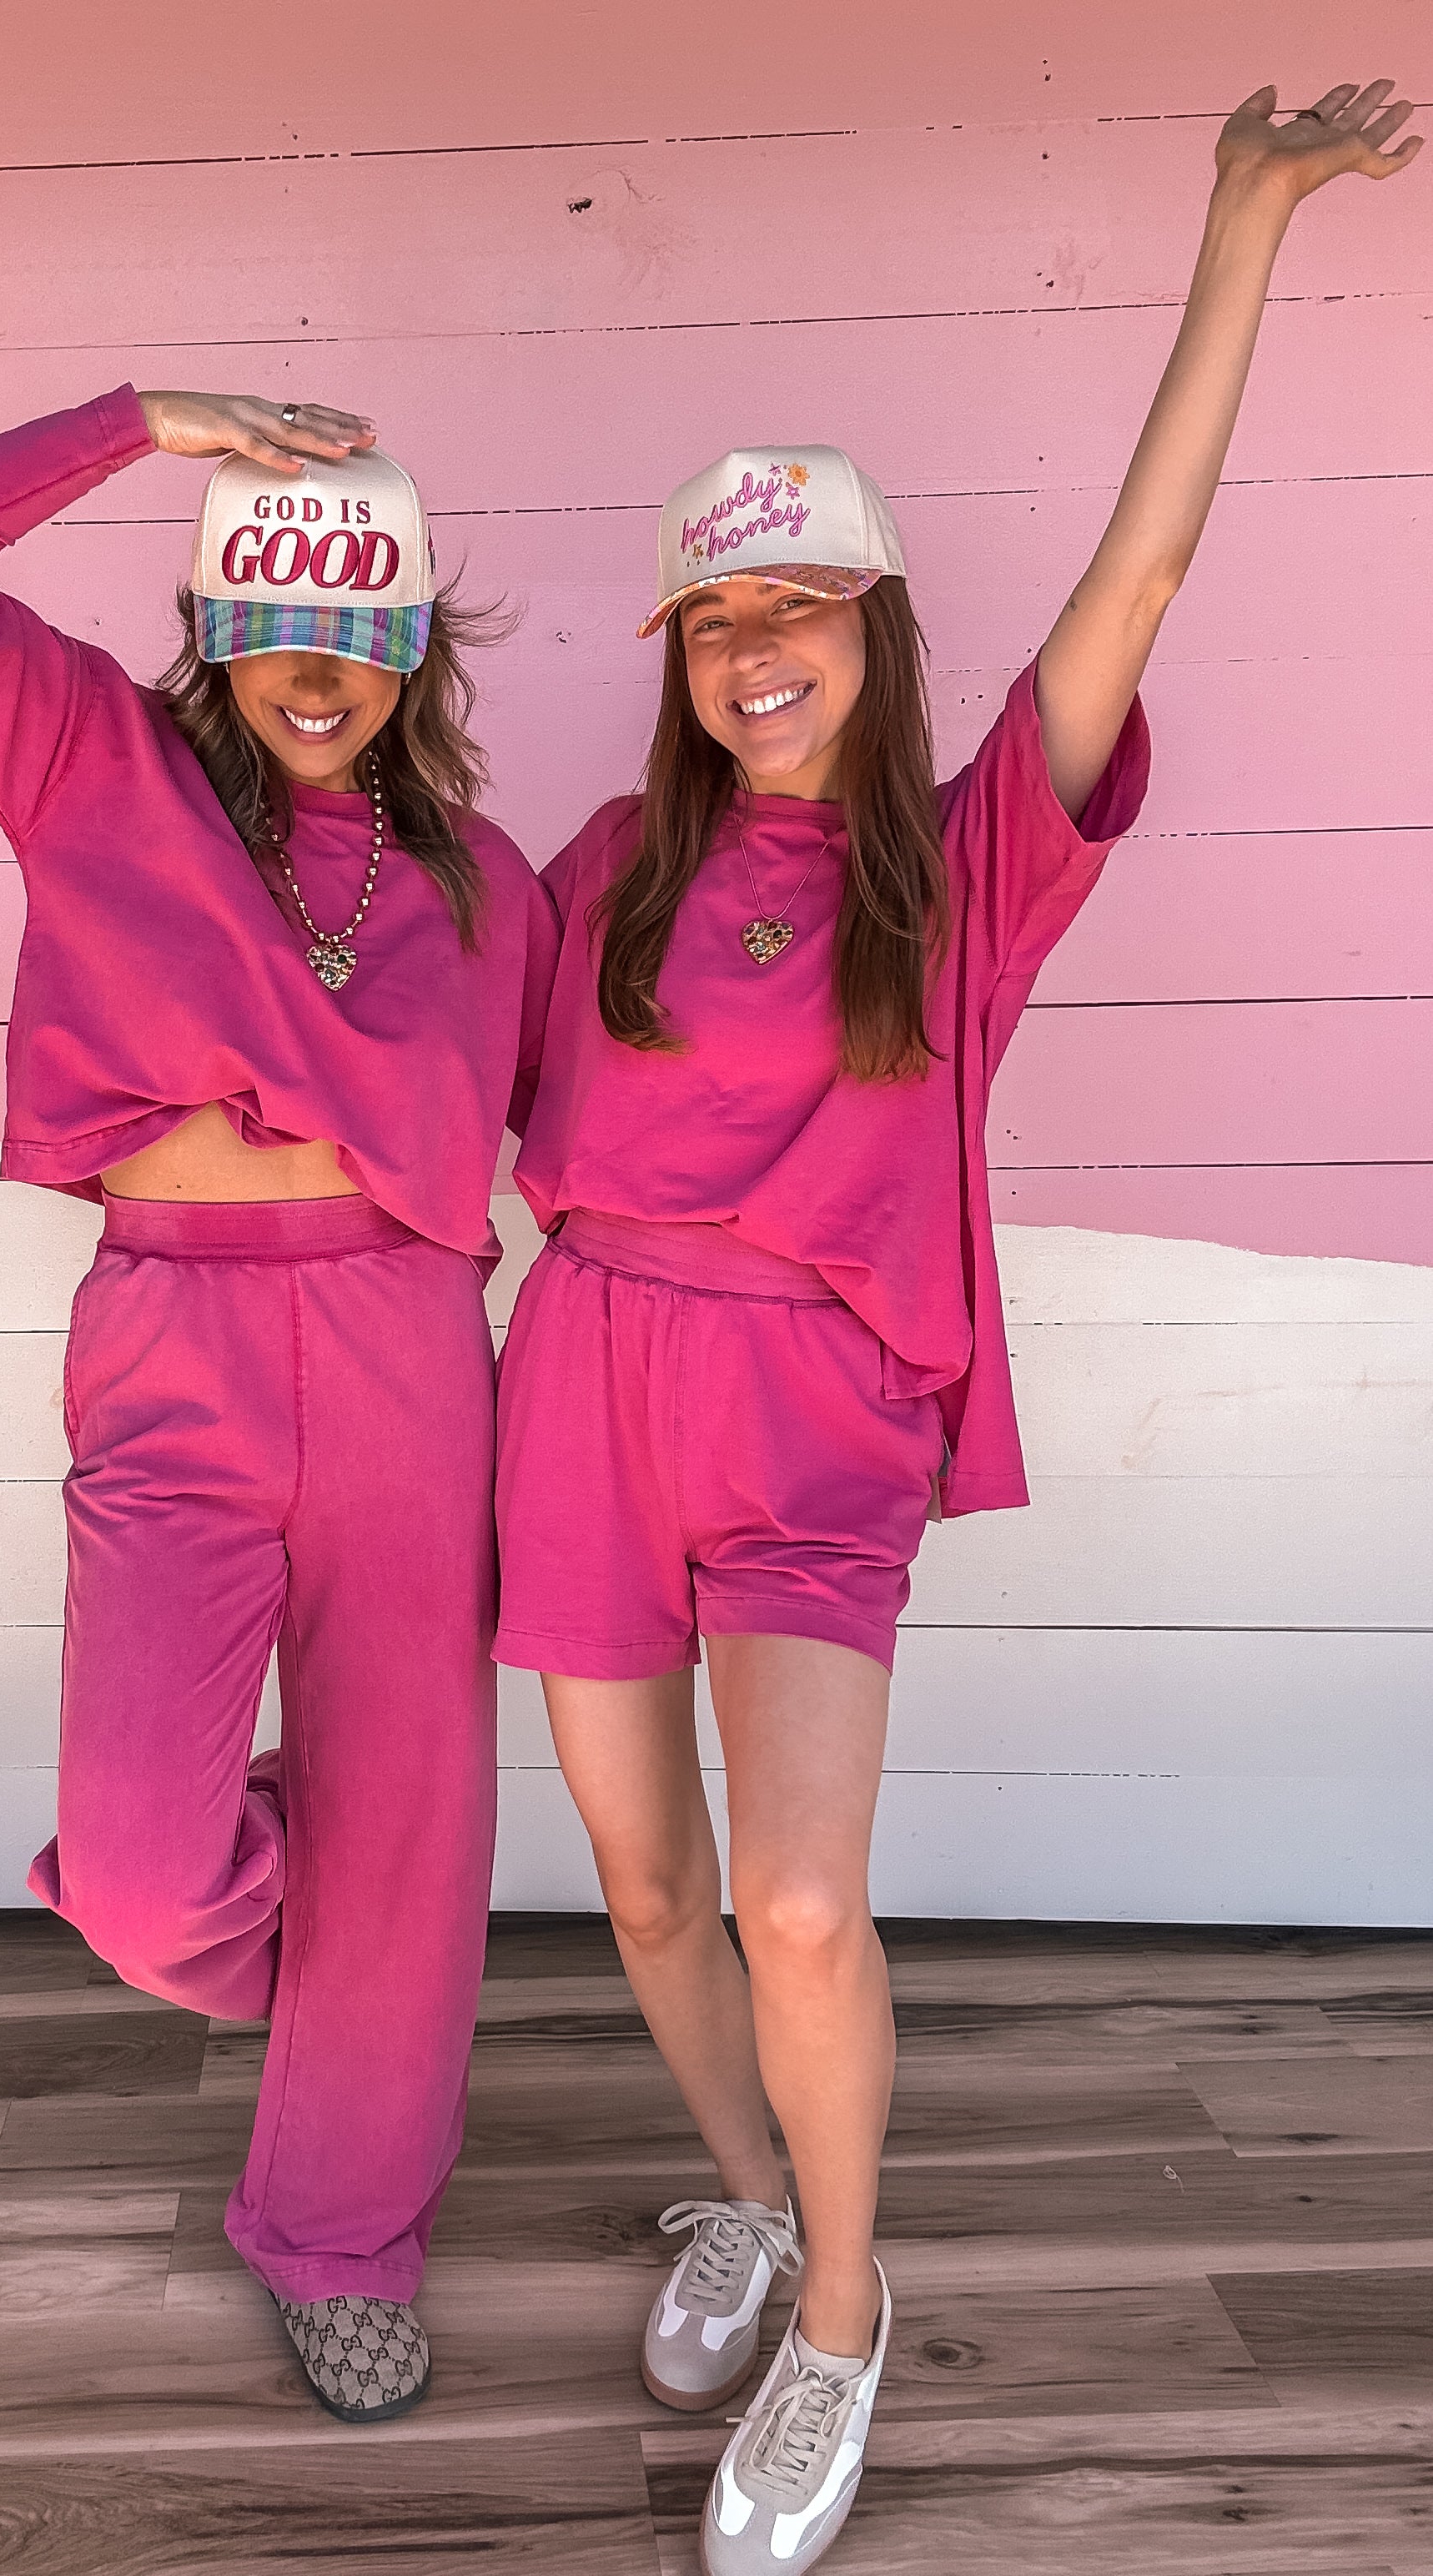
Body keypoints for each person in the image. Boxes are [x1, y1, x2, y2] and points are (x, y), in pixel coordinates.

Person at [495, 79, 1420, 2573]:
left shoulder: (961, 864)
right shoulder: (602, 866)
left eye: (799, 606)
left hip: (811, 1409)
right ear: (682, 659)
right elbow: (406, 1050)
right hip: (578, 1384)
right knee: (651, 1894)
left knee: (797, 1902)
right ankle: (746, 2189)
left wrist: (1241, 218)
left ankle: (842, 2312)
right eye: (718, 618)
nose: (756, 650)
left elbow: (1143, 567)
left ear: (872, 632)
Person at [0, 385, 555, 2423]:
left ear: (414, 644)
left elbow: (607, 1125)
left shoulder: (489, 881)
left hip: (411, 1349)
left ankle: (341, 2226)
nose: (317, 671)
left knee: (414, 1810)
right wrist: (143, 421)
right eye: (274, 625)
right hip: (172, 1336)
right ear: (216, 630)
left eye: (361, 631)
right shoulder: (93, 763)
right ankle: (365, 1961)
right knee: (151, 1876)